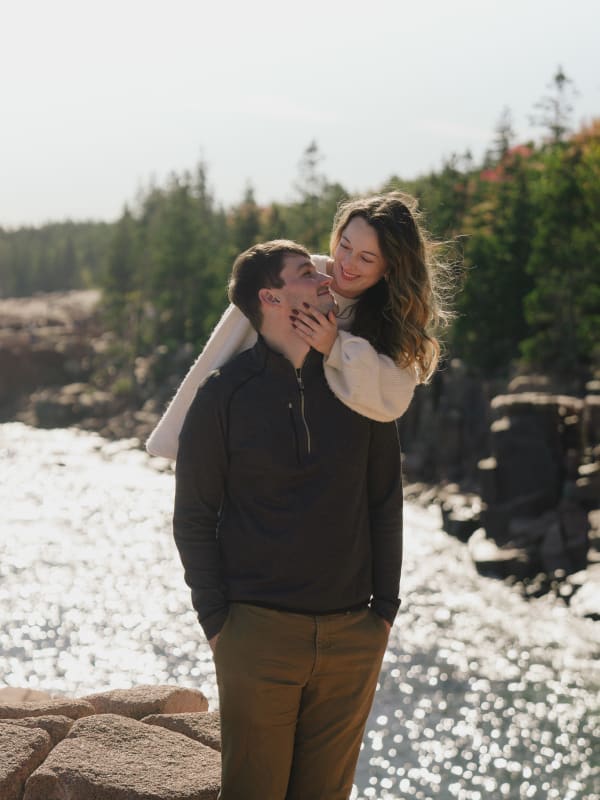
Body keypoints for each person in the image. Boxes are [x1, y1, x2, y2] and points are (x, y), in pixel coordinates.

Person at [173, 239, 404, 799]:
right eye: (308, 273)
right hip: (256, 634)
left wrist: (384, 612)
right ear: (271, 297)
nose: (327, 279)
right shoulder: (223, 394)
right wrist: (218, 622)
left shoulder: (357, 384)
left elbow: (385, 502)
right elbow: (194, 515)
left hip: (354, 633)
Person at [146, 190, 446, 459]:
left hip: (323, 472)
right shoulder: (293, 277)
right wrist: (179, 443)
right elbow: (220, 355)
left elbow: (394, 397)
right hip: (247, 450)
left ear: (390, 268)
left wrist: (335, 347)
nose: (347, 263)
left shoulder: (389, 315)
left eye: (366, 258)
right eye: (345, 245)